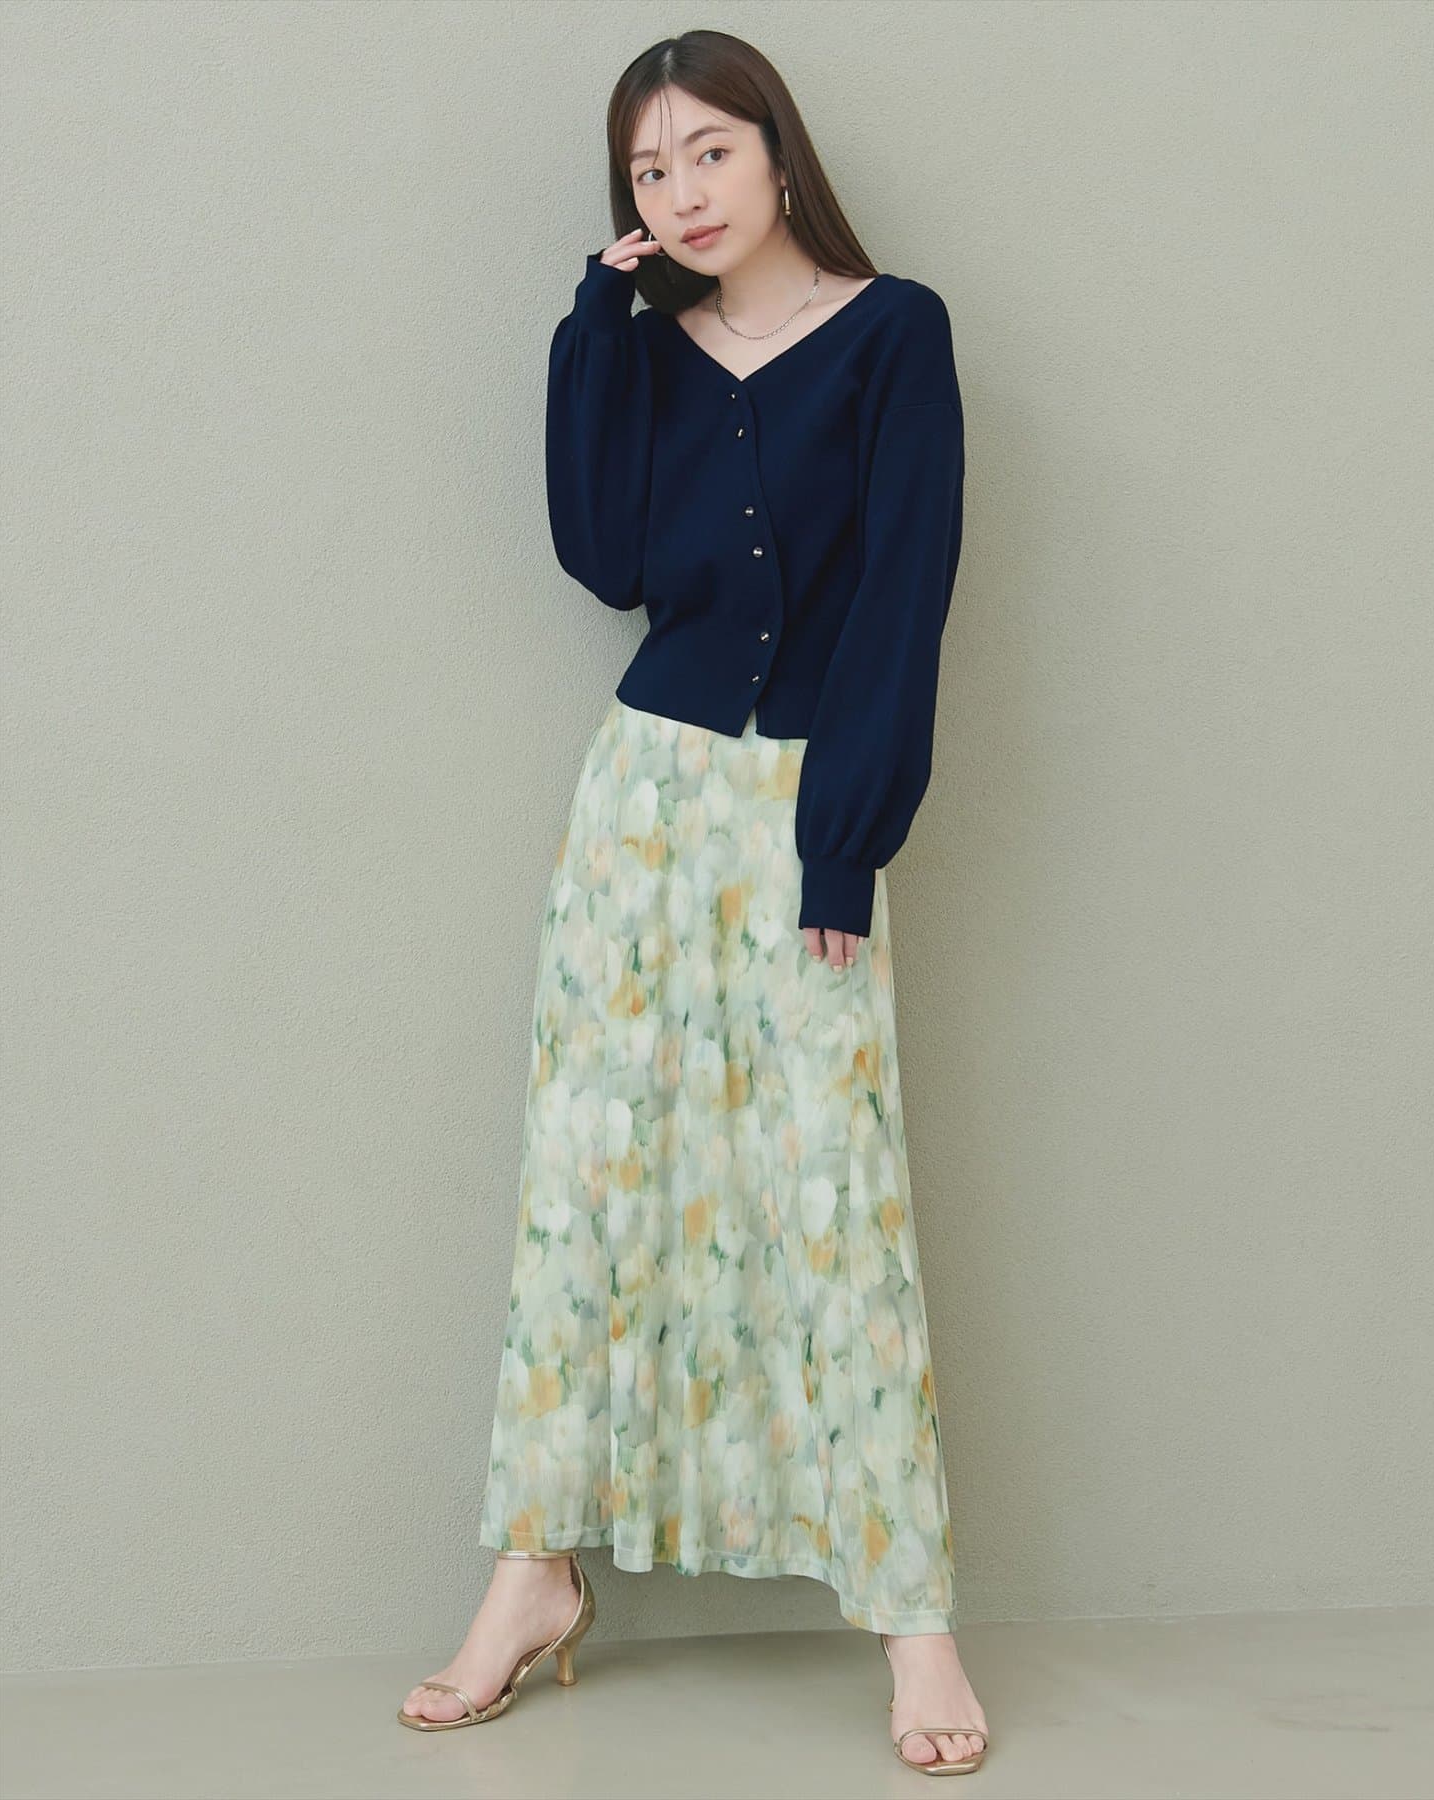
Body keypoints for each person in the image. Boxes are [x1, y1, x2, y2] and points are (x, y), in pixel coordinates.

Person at [397, 29, 988, 1776]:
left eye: (708, 153)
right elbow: (606, 561)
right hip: (640, 807)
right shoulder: (646, 349)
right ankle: (533, 1574)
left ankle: (915, 1618)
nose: (682, 192)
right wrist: (598, 326)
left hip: (802, 810)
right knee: (588, 1189)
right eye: (650, 171)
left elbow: (906, 595)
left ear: (779, 155)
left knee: (832, 1196)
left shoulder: (896, 333)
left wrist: (845, 838)